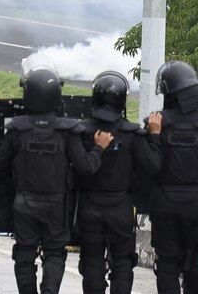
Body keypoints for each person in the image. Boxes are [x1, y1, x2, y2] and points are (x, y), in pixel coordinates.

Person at [0, 55, 113, 294]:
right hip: (56, 204)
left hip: (24, 202)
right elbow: (86, 167)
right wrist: (99, 147)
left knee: (25, 254)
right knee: (54, 253)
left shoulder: (17, 129)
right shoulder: (67, 131)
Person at [145, 60, 198, 294]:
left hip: (164, 202)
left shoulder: (156, 123)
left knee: (168, 264)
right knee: (195, 263)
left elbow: (149, 167)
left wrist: (154, 137)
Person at [76, 70, 160, 294]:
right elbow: (152, 167)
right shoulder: (132, 134)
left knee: (92, 262)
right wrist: (154, 137)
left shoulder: (82, 131)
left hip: (89, 207)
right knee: (122, 264)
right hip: (121, 208)